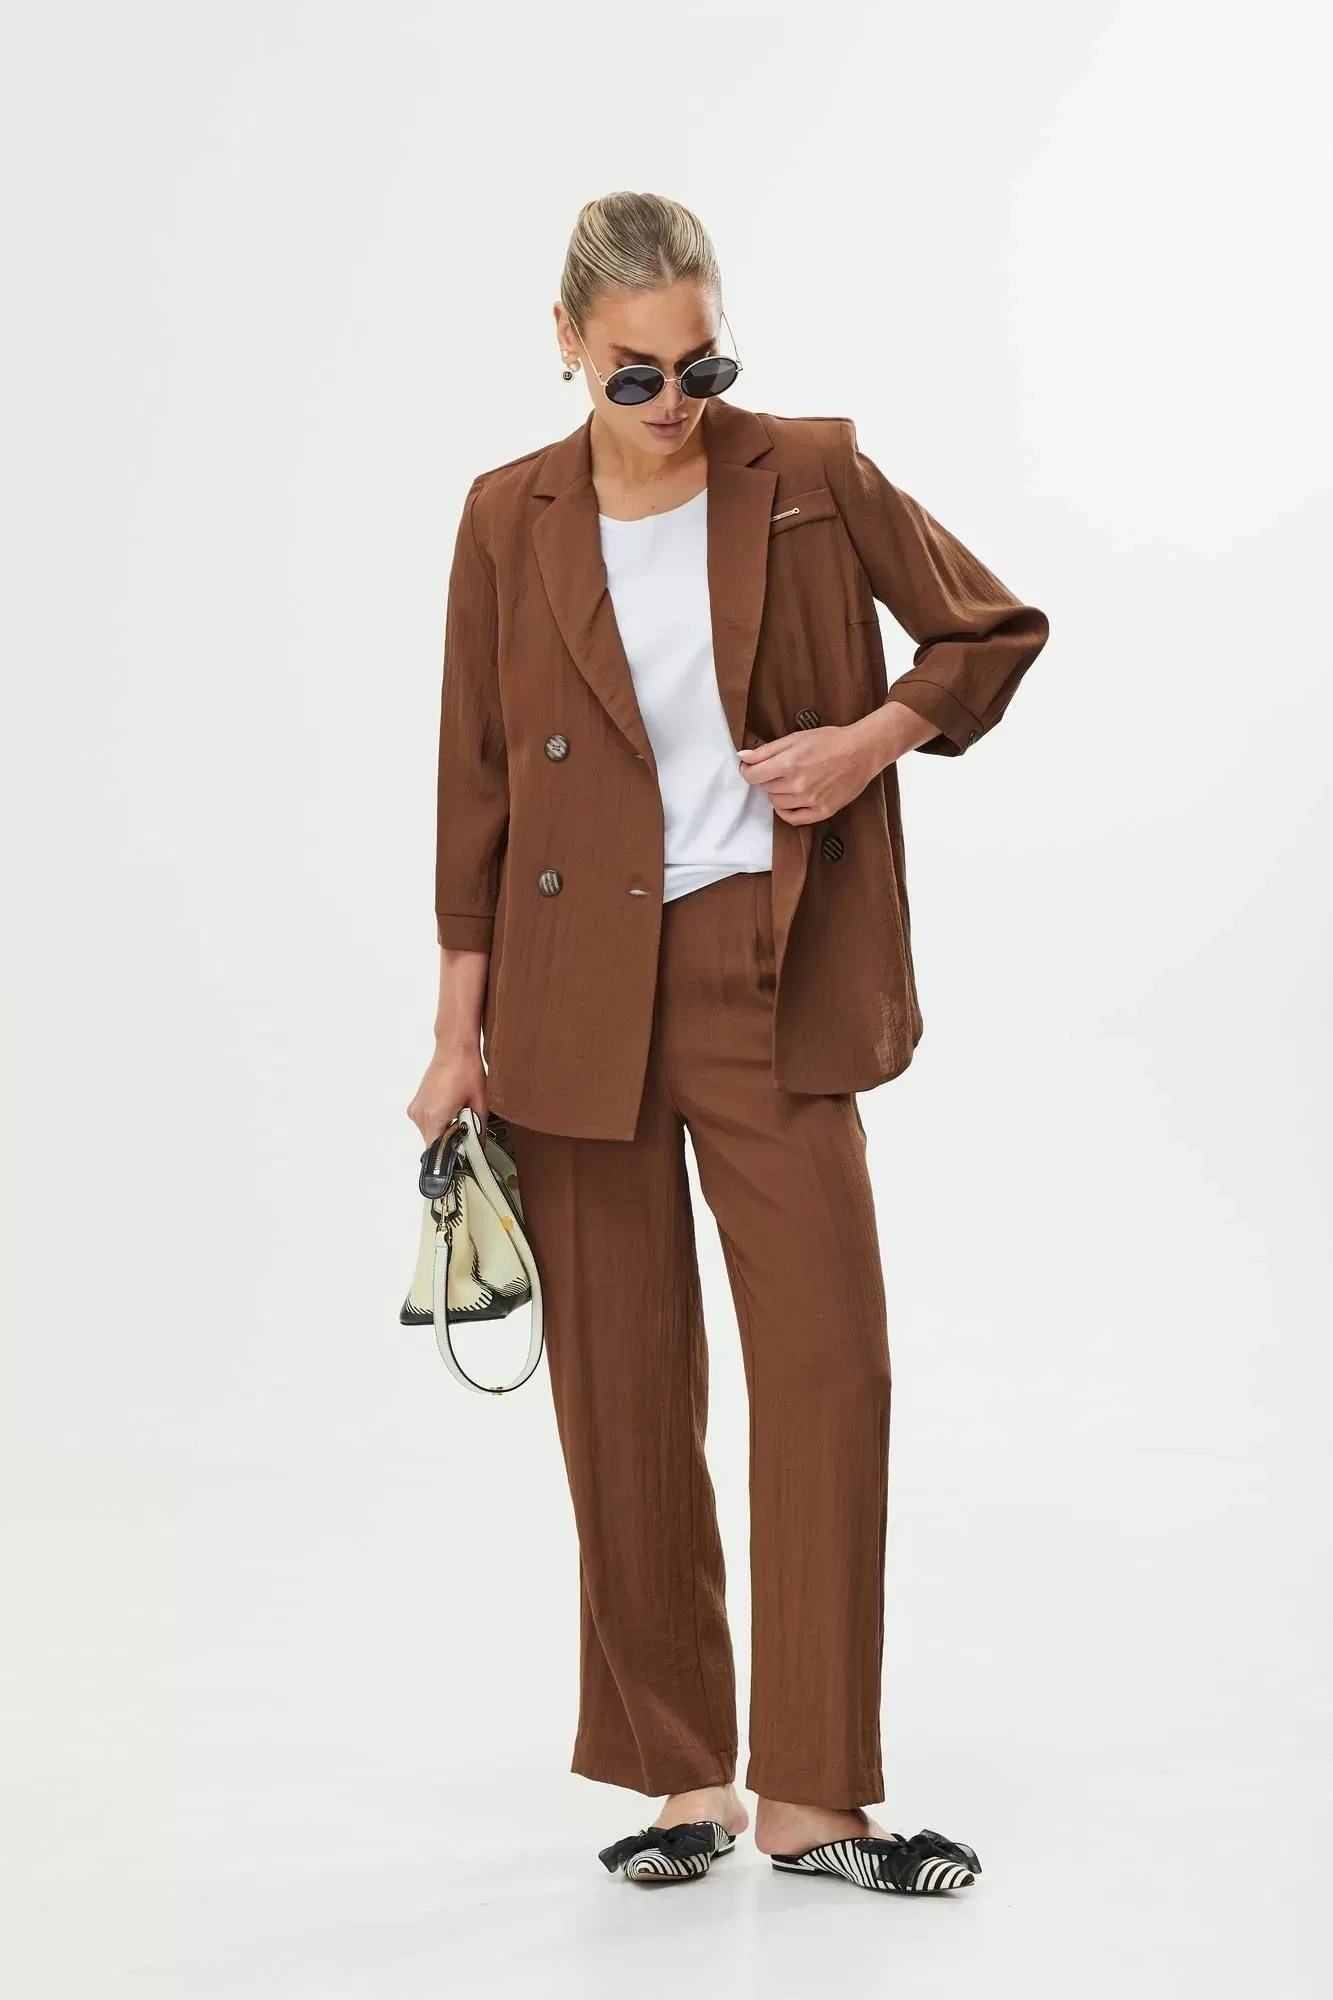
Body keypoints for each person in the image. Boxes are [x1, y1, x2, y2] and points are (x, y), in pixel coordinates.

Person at [407, 190, 1048, 1896]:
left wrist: (869, 738)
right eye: (634, 373)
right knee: (623, 1393)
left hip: (769, 974)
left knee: (830, 1370)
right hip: (570, 991)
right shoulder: (507, 516)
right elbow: (476, 783)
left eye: (704, 365)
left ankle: (817, 1799)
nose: (674, 402)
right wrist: (455, 1036)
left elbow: (988, 632)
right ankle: (684, 1781)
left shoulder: (811, 473)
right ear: (566, 344)